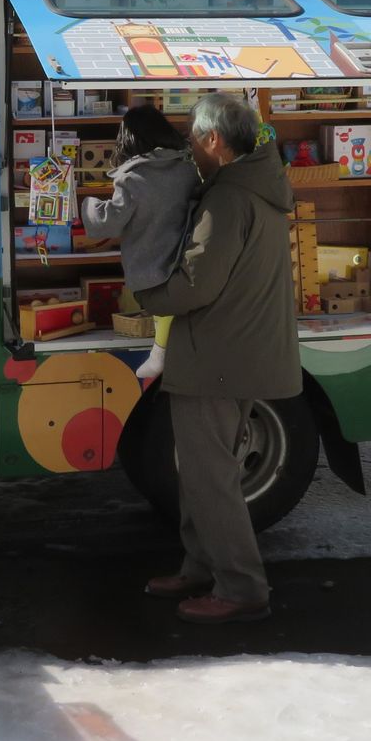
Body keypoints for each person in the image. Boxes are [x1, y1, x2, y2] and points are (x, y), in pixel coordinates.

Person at [133, 92, 300, 624]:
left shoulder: (228, 198)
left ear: (213, 140)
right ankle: (201, 566)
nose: (189, 149)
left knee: (209, 479)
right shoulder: (257, 186)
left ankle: (240, 586)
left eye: (192, 139)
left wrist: (148, 297)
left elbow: (196, 285)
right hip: (239, 351)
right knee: (204, 474)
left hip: (217, 356)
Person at [79, 105, 197, 379]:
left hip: (151, 267)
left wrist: (88, 205)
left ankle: (160, 352)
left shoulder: (133, 178)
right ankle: (163, 350)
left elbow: (110, 222)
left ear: (129, 139)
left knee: (160, 306)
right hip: (186, 261)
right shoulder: (188, 168)